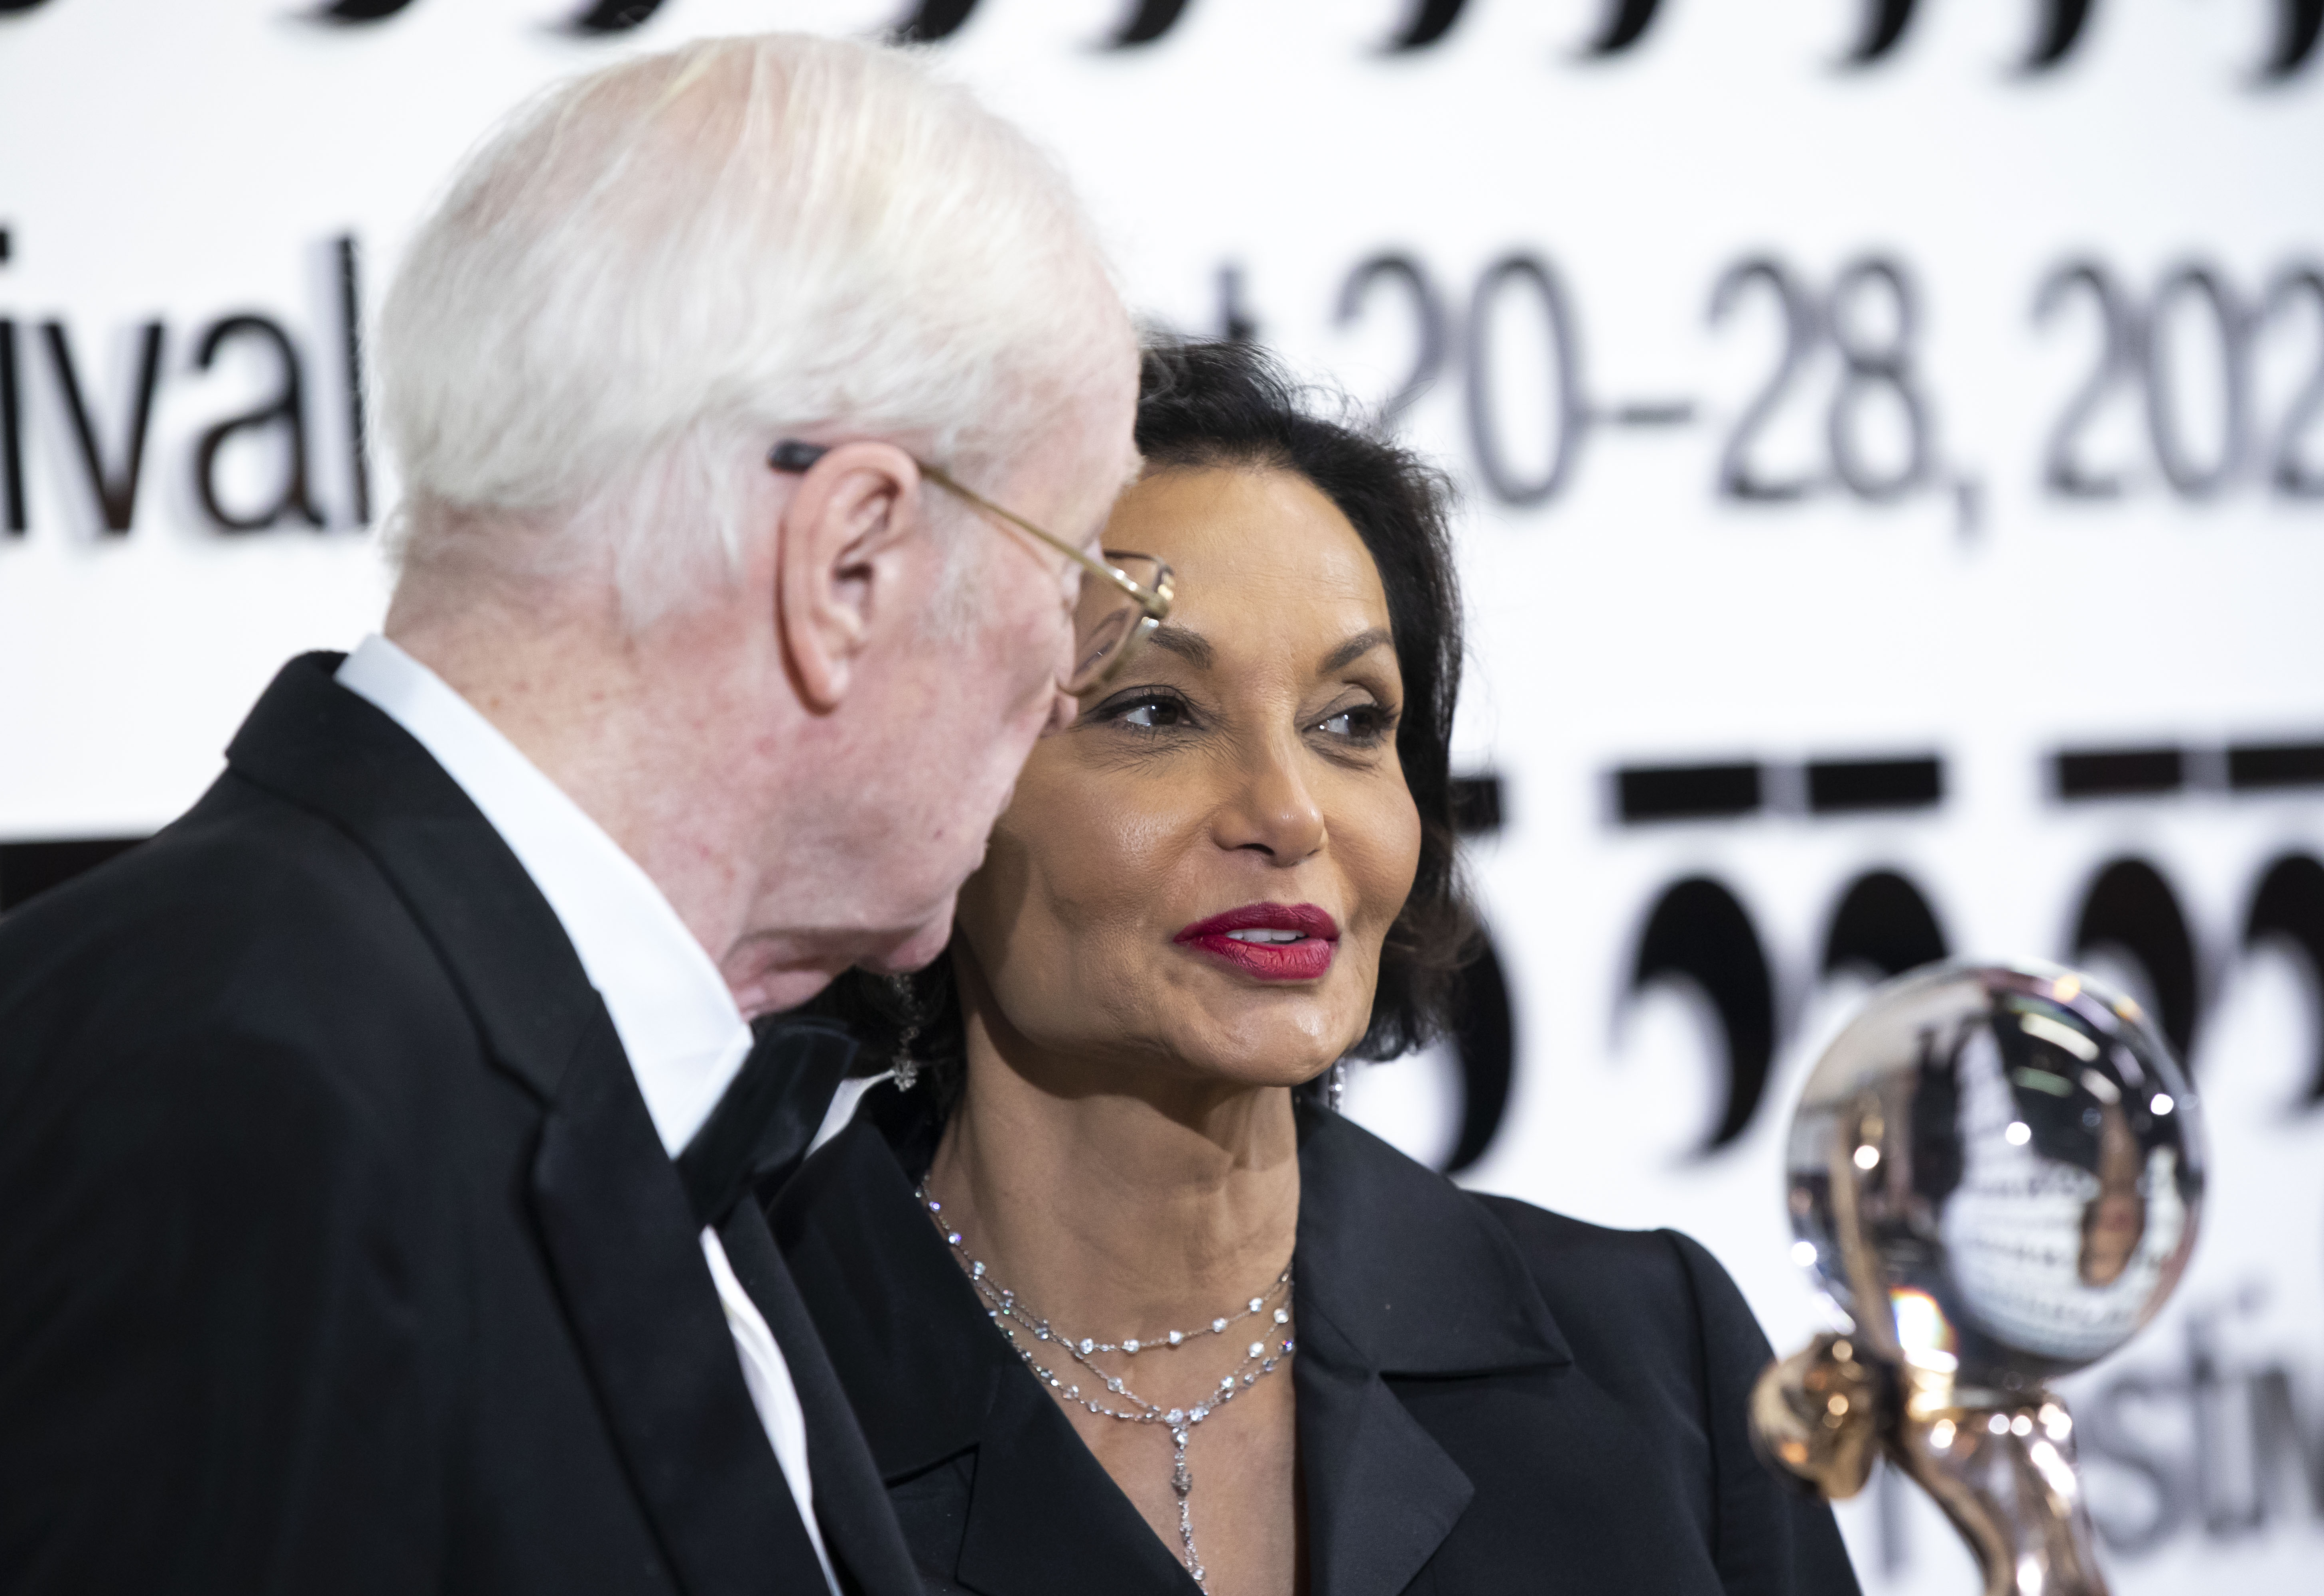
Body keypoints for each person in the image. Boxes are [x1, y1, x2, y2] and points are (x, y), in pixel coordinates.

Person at [0, 36, 1147, 1596]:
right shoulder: (218, 1088)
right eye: (1081, 572)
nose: (1065, 678)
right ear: (850, 562)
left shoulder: (514, 1064)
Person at [771, 339, 1863, 1596]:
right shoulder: (742, 1381)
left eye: (1351, 721)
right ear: (933, 784)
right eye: (1153, 712)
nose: (1287, 814)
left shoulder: (1651, 1355)